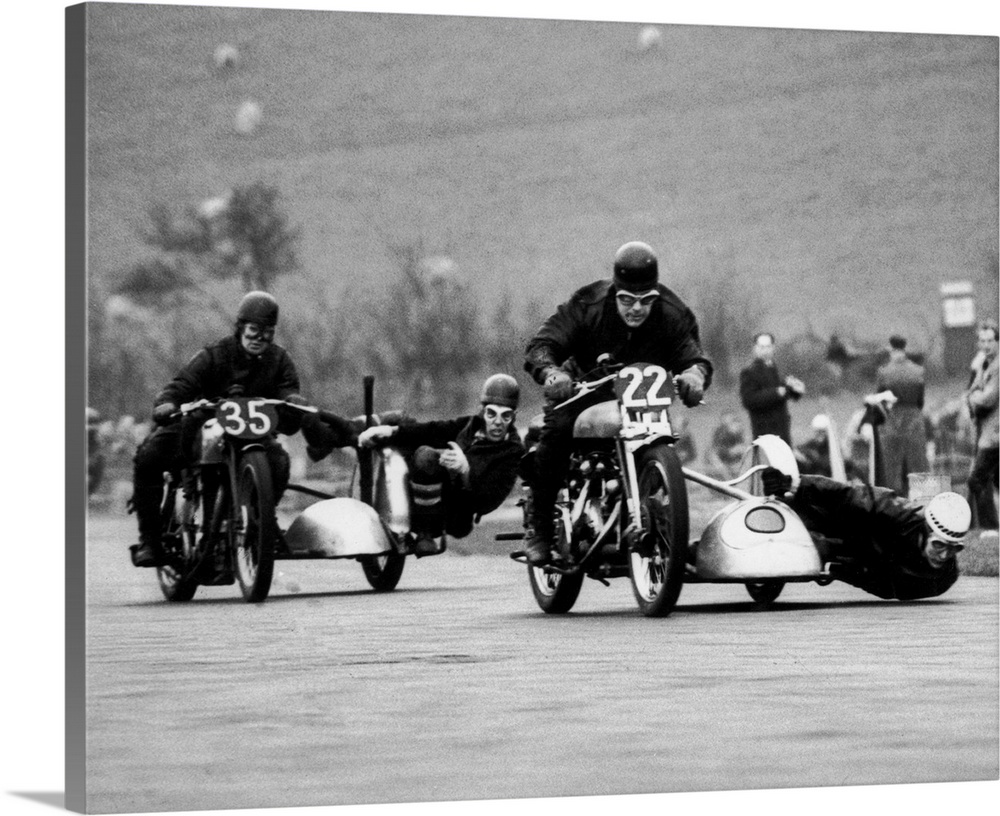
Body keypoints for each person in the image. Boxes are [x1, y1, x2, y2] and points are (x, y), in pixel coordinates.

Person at [521, 240, 712, 565]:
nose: (636, 308)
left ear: (655, 294)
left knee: (665, 442)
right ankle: (539, 528)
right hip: (583, 390)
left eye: (645, 300)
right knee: (558, 432)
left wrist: (694, 377)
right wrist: (553, 374)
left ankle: (654, 514)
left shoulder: (672, 312)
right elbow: (542, 345)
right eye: (627, 299)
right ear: (615, 292)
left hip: (642, 399)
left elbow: (694, 357)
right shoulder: (588, 305)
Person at [130, 291, 310, 568]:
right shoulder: (214, 354)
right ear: (241, 328)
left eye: (267, 332)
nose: (259, 338)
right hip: (203, 424)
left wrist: (293, 401)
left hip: (253, 435)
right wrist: (167, 403)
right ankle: (150, 541)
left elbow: (288, 390)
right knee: (149, 457)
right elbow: (181, 384)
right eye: (253, 330)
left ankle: (261, 525)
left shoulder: (280, 359)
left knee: (278, 462)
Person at [358, 374, 525, 555]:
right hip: (432, 497)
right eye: (492, 413)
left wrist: (466, 471)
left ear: (514, 416)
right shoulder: (469, 426)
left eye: (506, 416)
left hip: (457, 514)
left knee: (426, 456)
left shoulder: (513, 451)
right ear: (482, 411)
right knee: (404, 428)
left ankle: (425, 534)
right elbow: (433, 430)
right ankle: (355, 429)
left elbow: (488, 502)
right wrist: (391, 431)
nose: (498, 422)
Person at [761, 467, 971, 601]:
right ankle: (778, 496)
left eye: (954, 548)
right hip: (845, 522)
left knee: (815, 550)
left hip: (859, 559)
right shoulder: (894, 511)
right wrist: (795, 483)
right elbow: (848, 494)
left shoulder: (944, 578)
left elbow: (887, 591)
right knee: (795, 514)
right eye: (939, 545)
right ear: (926, 530)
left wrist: (841, 571)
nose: (944, 555)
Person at [874, 335, 928, 494]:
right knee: (918, 464)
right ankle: (922, 499)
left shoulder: (884, 372)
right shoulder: (918, 371)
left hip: (892, 420)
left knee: (892, 466)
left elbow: (880, 399)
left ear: (891, 349)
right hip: (914, 419)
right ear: (905, 349)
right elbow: (920, 401)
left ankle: (894, 500)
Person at [738, 332, 804, 446]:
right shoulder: (749, 372)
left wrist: (795, 391)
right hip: (764, 432)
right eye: (761, 347)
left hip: (782, 431)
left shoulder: (774, 368)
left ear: (773, 348)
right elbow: (748, 400)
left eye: (768, 347)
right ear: (755, 348)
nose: (765, 351)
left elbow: (782, 392)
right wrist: (776, 393)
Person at [965, 320, 998, 531]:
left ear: (998, 342)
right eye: (982, 341)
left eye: (990, 341)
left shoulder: (998, 366)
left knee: (976, 480)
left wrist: (973, 396)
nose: (985, 345)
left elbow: (987, 398)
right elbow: (973, 387)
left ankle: (990, 528)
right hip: (989, 430)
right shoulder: (985, 363)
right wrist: (973, 393)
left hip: (994, 434)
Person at [706, 411, 747, 479]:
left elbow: (742, 448)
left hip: (729, 461)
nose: (737, 425)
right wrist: (731, 451)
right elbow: (715, 452)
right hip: (717, 460)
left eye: (734, 421)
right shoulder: (721, 433)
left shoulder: (738, 433)